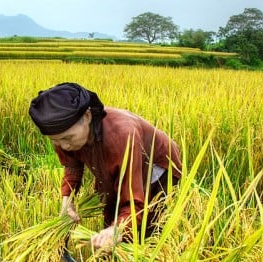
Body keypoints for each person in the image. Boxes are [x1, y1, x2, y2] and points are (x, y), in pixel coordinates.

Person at [29, 82, 181, 249]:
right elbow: (72, 165)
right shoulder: (63, 131)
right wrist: (67, 200)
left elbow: (135, 201)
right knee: (110, 206)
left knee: (146, 224)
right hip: (118, 155)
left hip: (155, 166)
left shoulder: (122, 136)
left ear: (87, 116)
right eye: (55, 141)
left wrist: (117, 230)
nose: (63, 146)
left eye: (68, 138)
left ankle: (140, 257)